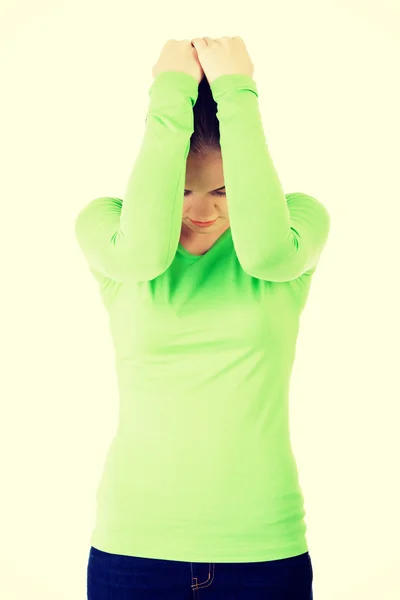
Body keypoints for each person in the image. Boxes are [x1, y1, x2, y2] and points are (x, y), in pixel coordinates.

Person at [75, 38, 330, 599]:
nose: (203, 210)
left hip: (265, 550)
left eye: (222, 190)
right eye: (182, 190)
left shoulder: (295, 226)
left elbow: (265, 255)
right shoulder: (108, 228)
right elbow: (145, 255)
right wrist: (169, 90)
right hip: (133, 549)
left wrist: (239, 89)